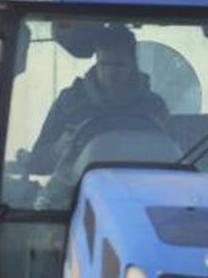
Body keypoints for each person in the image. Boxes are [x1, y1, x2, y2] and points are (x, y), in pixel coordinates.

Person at [27, 26, 169, 175]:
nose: (110, 73)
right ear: (96, 62)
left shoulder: (153, 106)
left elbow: (175, 158)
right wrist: (57, 150)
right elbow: (35, 164)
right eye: (104, 64)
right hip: (76, 192)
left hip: (141, 188)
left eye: (118, 65)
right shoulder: (70, 102)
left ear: (133, 65)